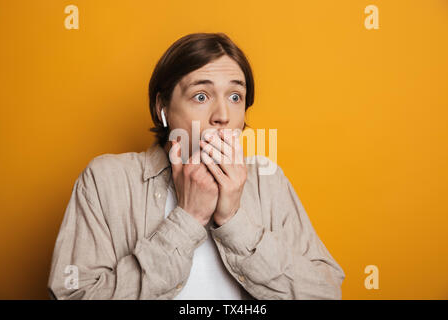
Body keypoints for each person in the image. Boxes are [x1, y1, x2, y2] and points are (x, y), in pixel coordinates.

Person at [47, 32, 345, 300]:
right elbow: (74, 296)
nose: (222, 115)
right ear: (161, 107)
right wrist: (187, 219)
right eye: (201, 96)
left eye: (235, 96)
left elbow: (324, 294)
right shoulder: (106, 180)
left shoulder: (268, 180)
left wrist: (233, 221)